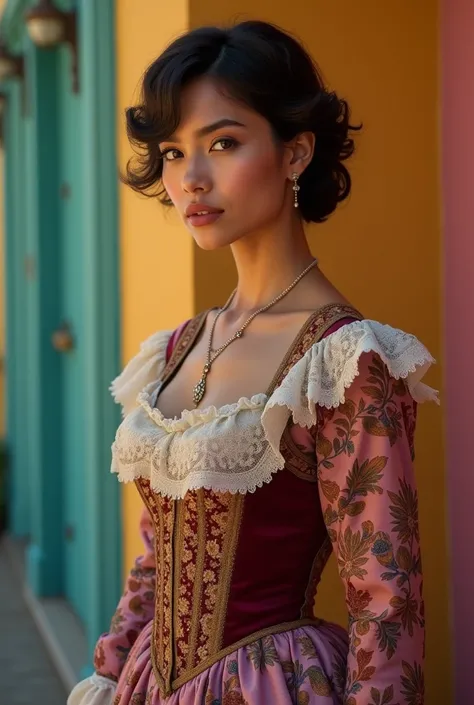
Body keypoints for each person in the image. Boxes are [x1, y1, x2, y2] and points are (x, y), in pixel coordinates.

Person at [68, 19, 438, 705]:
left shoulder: (343, 361)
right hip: (150, 683)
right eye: (175, 154)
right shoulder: (178, 347)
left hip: (270, 683)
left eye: (223, 143)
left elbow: (388, 603)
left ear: (295, 152)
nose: (191, 180)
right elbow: (157, 555)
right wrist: (112, 664)